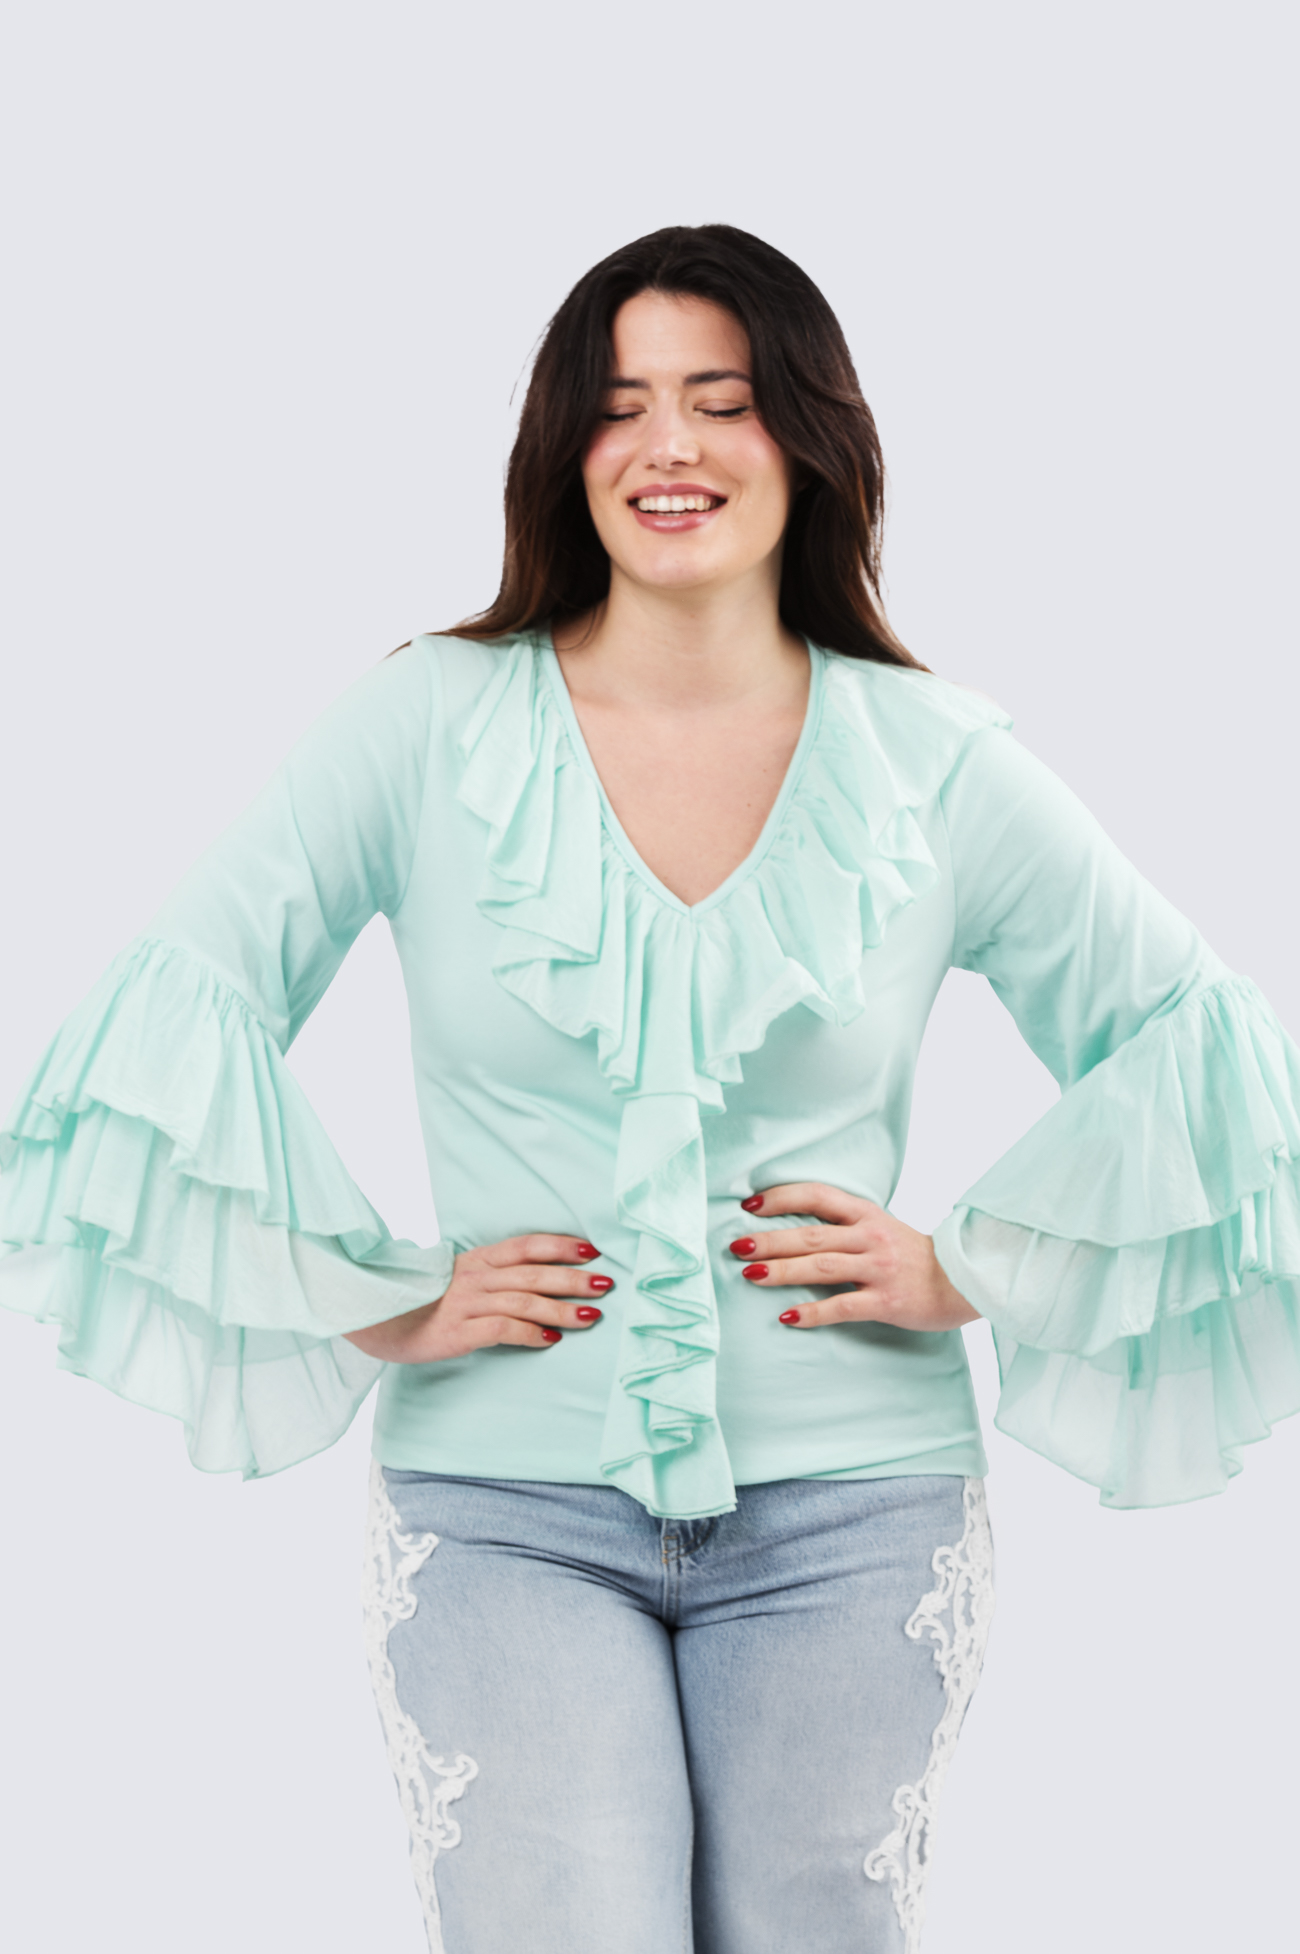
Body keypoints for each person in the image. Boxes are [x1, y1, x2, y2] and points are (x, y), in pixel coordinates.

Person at [2, 224, 1297, 1954]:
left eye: (721, 399)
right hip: (502, 1507)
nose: (667, 445)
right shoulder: (426, 724)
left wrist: (966, 1263)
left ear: (808, 439)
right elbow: (169, 1011)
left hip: (859, 1509)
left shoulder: (934, 760)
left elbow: (1202, 1042)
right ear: (566, 447)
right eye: (619, 405)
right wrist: (375, 1291)